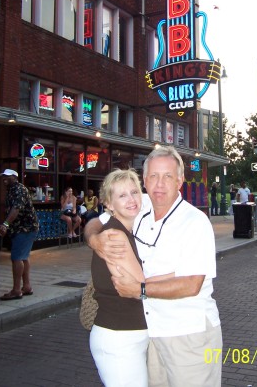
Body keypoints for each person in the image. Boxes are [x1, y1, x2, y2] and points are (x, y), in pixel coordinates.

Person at [85, 146, 222, 387]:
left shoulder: (194, 222)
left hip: (188, 334)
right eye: (154, 176)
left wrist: (141, 289)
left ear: (180, 180)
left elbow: (192, 284)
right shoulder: (140, 206)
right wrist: (93, 239)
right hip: (152, 334)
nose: (160, 184)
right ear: (145, 181)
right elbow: (99, 220)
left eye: (168, 176)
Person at [89, 169, 173, 387]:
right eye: (122, 195)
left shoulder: (129, 227)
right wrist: (180, 272)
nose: (131, 199)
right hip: (119, 337)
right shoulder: (115, 236)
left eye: (134, 192)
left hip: (130, 334)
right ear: (108, 204)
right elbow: (140, 288)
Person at [0, 169, 39, 300]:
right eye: (3, 176)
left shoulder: (18, 189)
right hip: (22, 228)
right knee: (23, 257)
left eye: (7, 176)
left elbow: (16, 208)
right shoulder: (12, 190)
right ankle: (26, 287)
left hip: (25, 228)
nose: (4, 178)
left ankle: (16, 290)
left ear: (14, 177)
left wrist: (5, 224)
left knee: (17, 257)